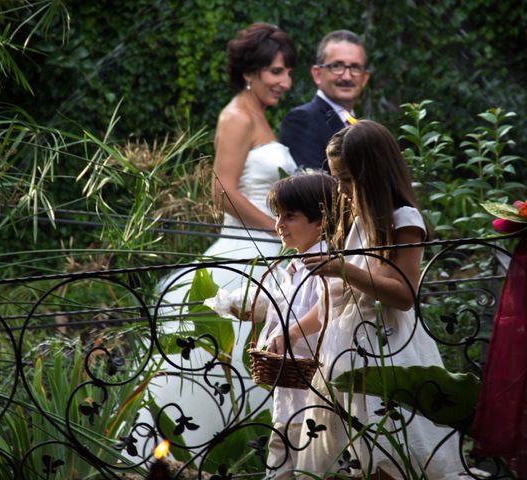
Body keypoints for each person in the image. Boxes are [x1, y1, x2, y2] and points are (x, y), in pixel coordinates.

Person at [269, 120, 463, 479]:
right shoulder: (357, 221)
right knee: (351, 454)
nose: (340, 190)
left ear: (372, 174)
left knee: (387, 448)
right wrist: (294, 332)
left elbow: (404, 294)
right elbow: (337, 299)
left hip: (386, 351)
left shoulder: (403, 219)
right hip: (343, 352)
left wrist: (345, 269)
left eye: (346, 180)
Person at [140, 23, 299, 459]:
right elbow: (222, 190)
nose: (286, 83)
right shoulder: (236, 116)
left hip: (270, 252)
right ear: (250, 71)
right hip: (242, 251)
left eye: (287, 73)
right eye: (277, 72)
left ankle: (254, 455)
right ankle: (190, 454)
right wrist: (274, 226)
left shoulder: (261, 115)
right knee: (216, 363)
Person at [256, 173, 336, 480]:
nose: (280, 225)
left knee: (311, 464)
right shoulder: (295, 265)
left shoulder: (326, 262)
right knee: (281, 456)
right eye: (277, 215)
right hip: (290, 386)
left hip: (315, 385)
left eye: (290, 216)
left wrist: (290, 334)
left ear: (320, 220)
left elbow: (328, 306)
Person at [278, 30, 370, 171]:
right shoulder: (301, 120)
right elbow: (310, 189)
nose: (346, 77)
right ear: (317, 74)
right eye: (337, 66)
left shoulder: (362, 127)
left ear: (364, 78)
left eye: (355, 67)